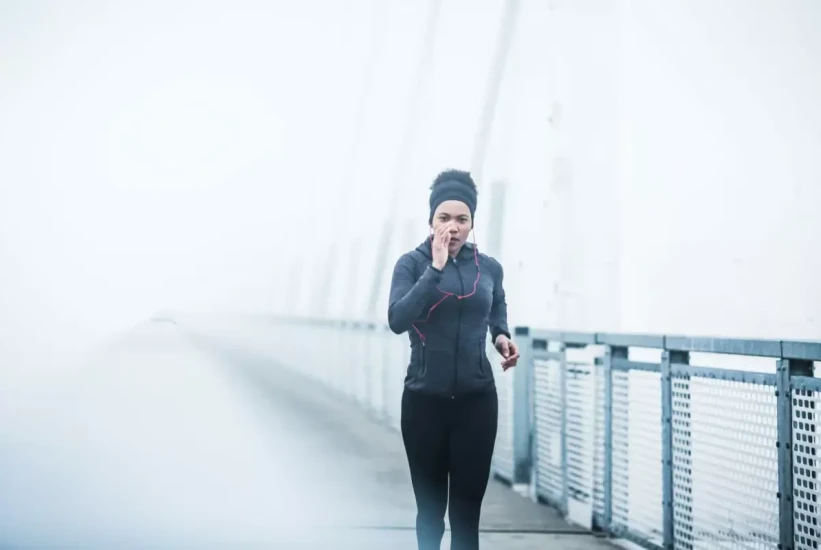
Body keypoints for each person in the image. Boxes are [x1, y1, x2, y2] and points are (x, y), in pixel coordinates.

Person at [387, 169, 519, 550]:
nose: (453, 226)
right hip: (424, 404)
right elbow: (397, 319)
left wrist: (501, 335)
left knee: (466, 516)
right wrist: (436, 267)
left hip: (476, 403)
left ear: (472, 223)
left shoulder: (488, 267)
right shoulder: (411, 265)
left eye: (462, 218)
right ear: (431, 221)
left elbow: (496, 303)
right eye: (444, 217)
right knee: (431, 515)